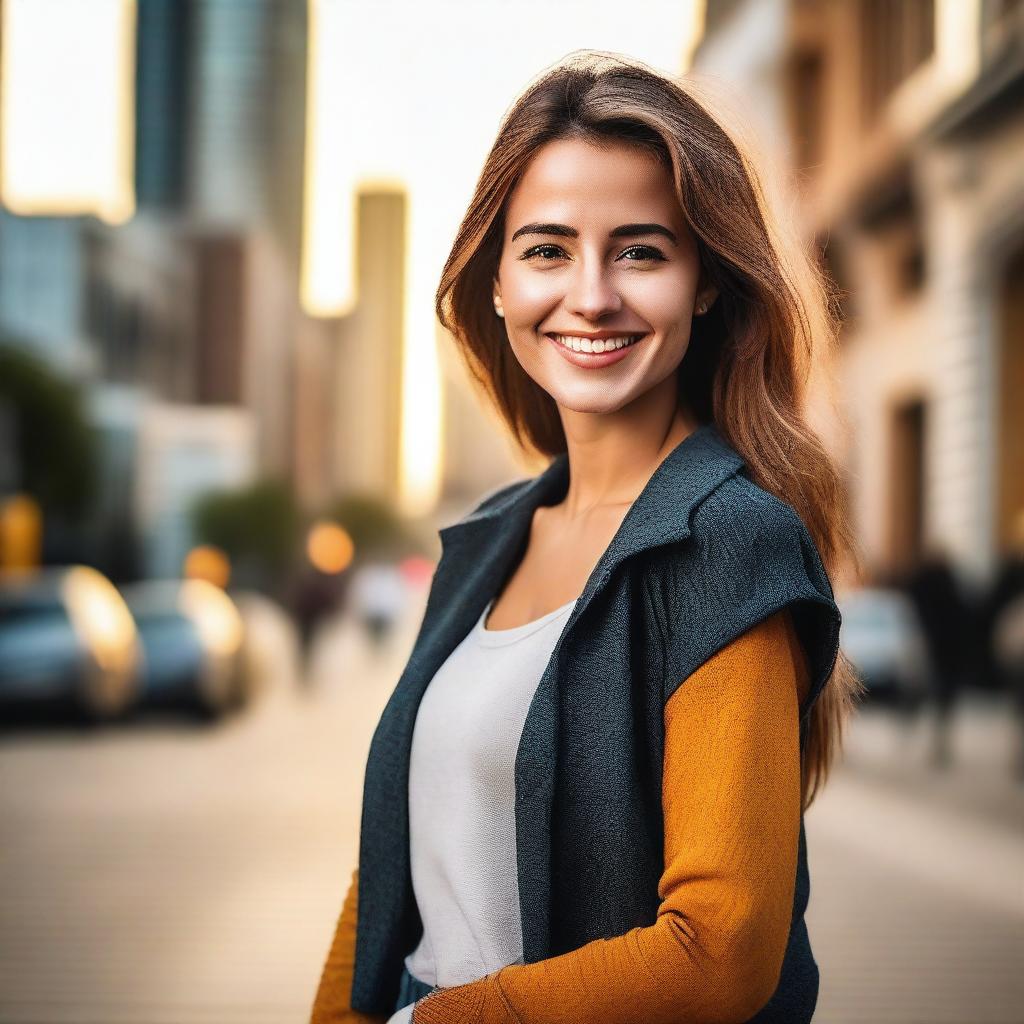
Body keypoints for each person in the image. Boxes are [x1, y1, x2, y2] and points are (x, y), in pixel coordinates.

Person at [309, 50, 860, 1024]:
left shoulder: (730, 543)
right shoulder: (484, 544)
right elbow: (390, 872)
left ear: (703, 283)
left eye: (640, 250)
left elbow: (719, 952)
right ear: (495, 282)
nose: (593, 295)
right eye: (547, 249)